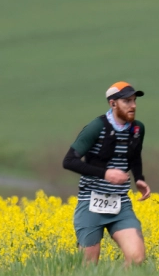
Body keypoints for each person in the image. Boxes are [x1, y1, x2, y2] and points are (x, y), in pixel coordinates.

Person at [62, 81, 151, 266]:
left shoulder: (137, 129)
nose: (133, 105)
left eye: (134, 100)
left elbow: (135, 156)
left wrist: (140, 179)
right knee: (88, 267)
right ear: (113, 103)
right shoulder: (96, 127)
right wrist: (105, 174)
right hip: (91, 202)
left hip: (120, 204)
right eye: (127, 101)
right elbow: (69, 161)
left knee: (137, 258)